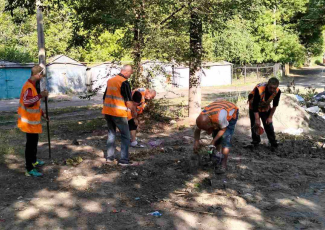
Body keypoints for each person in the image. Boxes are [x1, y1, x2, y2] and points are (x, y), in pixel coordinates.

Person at [18, 65, 49, 177]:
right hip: (28, 122)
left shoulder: (32, 85)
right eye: (41, 75)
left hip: (33, 121)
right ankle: (29, 168)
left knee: (34, 143)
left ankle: (34, 160)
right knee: (30, 145)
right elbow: (27, 102)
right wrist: (41, 95)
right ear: (37, 74)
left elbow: (34, 105)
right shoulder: (29, 87)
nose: (41, 78)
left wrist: (43, 114)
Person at [102, 65, 137, 166]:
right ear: (126, 72)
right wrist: (134, 113)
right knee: (125, 136)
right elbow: (128, 102)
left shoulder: (110, 80)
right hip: (118, 113)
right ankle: (123, 160)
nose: (130, 76)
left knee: (111, 134)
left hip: (108, 112)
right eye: (130, 73)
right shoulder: (124, 82)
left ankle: (109, 158)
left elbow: (105, 97)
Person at [193, 100, 239, 173]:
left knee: (225, 139)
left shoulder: (220, 118)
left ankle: (223, 164)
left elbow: (223, 130)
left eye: (208, 130)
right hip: (217, 113)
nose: (208, 133)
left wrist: (213, 141)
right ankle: (215, 157)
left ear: (211, 124)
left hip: (231, 112)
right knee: (216, 137)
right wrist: (196, 141)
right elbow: (197, 130)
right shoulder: (201, 119)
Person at [248, 77, 281, 151]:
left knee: (268, 124)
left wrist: (270, 117)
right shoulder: (259, 89)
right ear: (267, 85)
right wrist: (257, 119)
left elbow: (275, 105)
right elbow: (255, 105)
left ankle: (273, 143)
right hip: (254, 107)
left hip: (264, 107)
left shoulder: (278, 91)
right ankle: (255, 142)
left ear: (277, 87)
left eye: (274, 88)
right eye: (270, 87)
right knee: (255, 124)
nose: (272, 90)